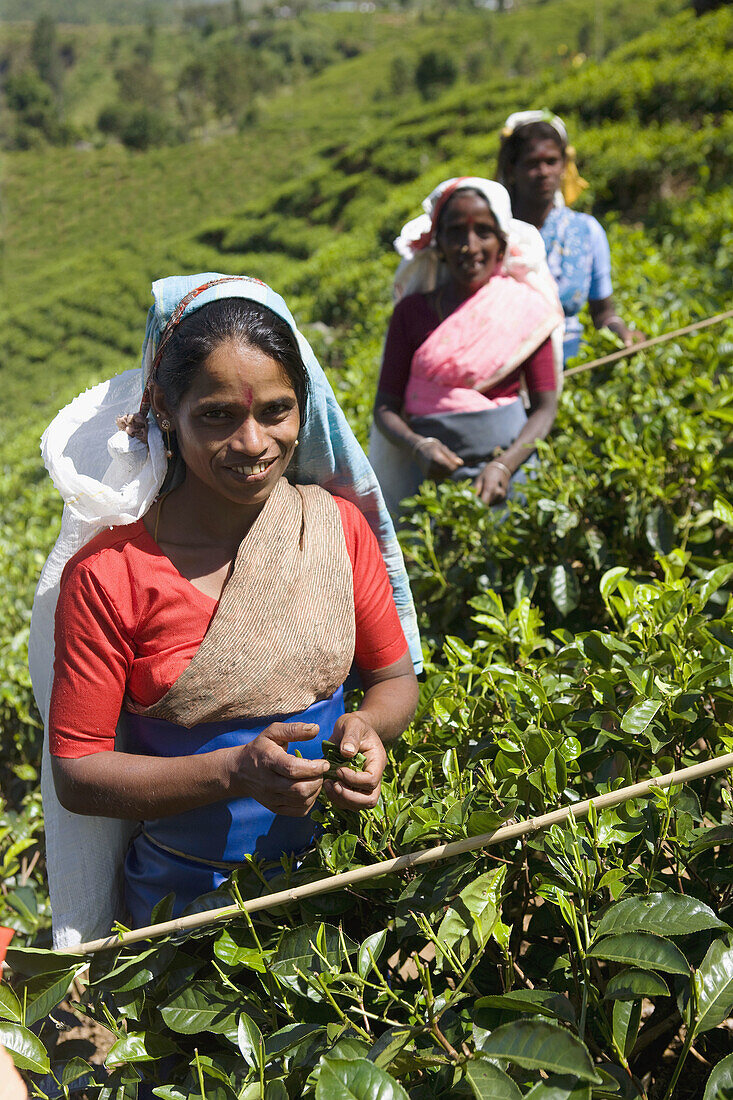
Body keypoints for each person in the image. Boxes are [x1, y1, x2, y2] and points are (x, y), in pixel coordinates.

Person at [30, 274, 421, 945]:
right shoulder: (110, 576)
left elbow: (392, 681)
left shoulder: (334, 530)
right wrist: (235, 770)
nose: (252, 443)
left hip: (344, 885)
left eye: (276, 411)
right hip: (183, 916)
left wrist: (366, 733)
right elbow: (80, 772)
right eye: (217, 415)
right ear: (164, 412)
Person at [369, 177, 564, 519]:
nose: (469, 246)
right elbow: (385, 408)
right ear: (438, 244)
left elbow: (545, 407)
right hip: (433, 482)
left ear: (502, 244)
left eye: (484, 232)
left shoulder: (525, 309)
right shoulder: (412, 314)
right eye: (456, 232)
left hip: (512, 474)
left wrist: (504, 466)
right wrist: (419, 446)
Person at [497, 110, 643, 362]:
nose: (543, 172)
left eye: (551, 161)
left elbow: (603, 313)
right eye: (532, 163)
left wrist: (621, 332)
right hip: (507, 367)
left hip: (573, 363)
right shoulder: (496, 235)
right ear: (512, 169)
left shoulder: (585, 230)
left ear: (564, 165)